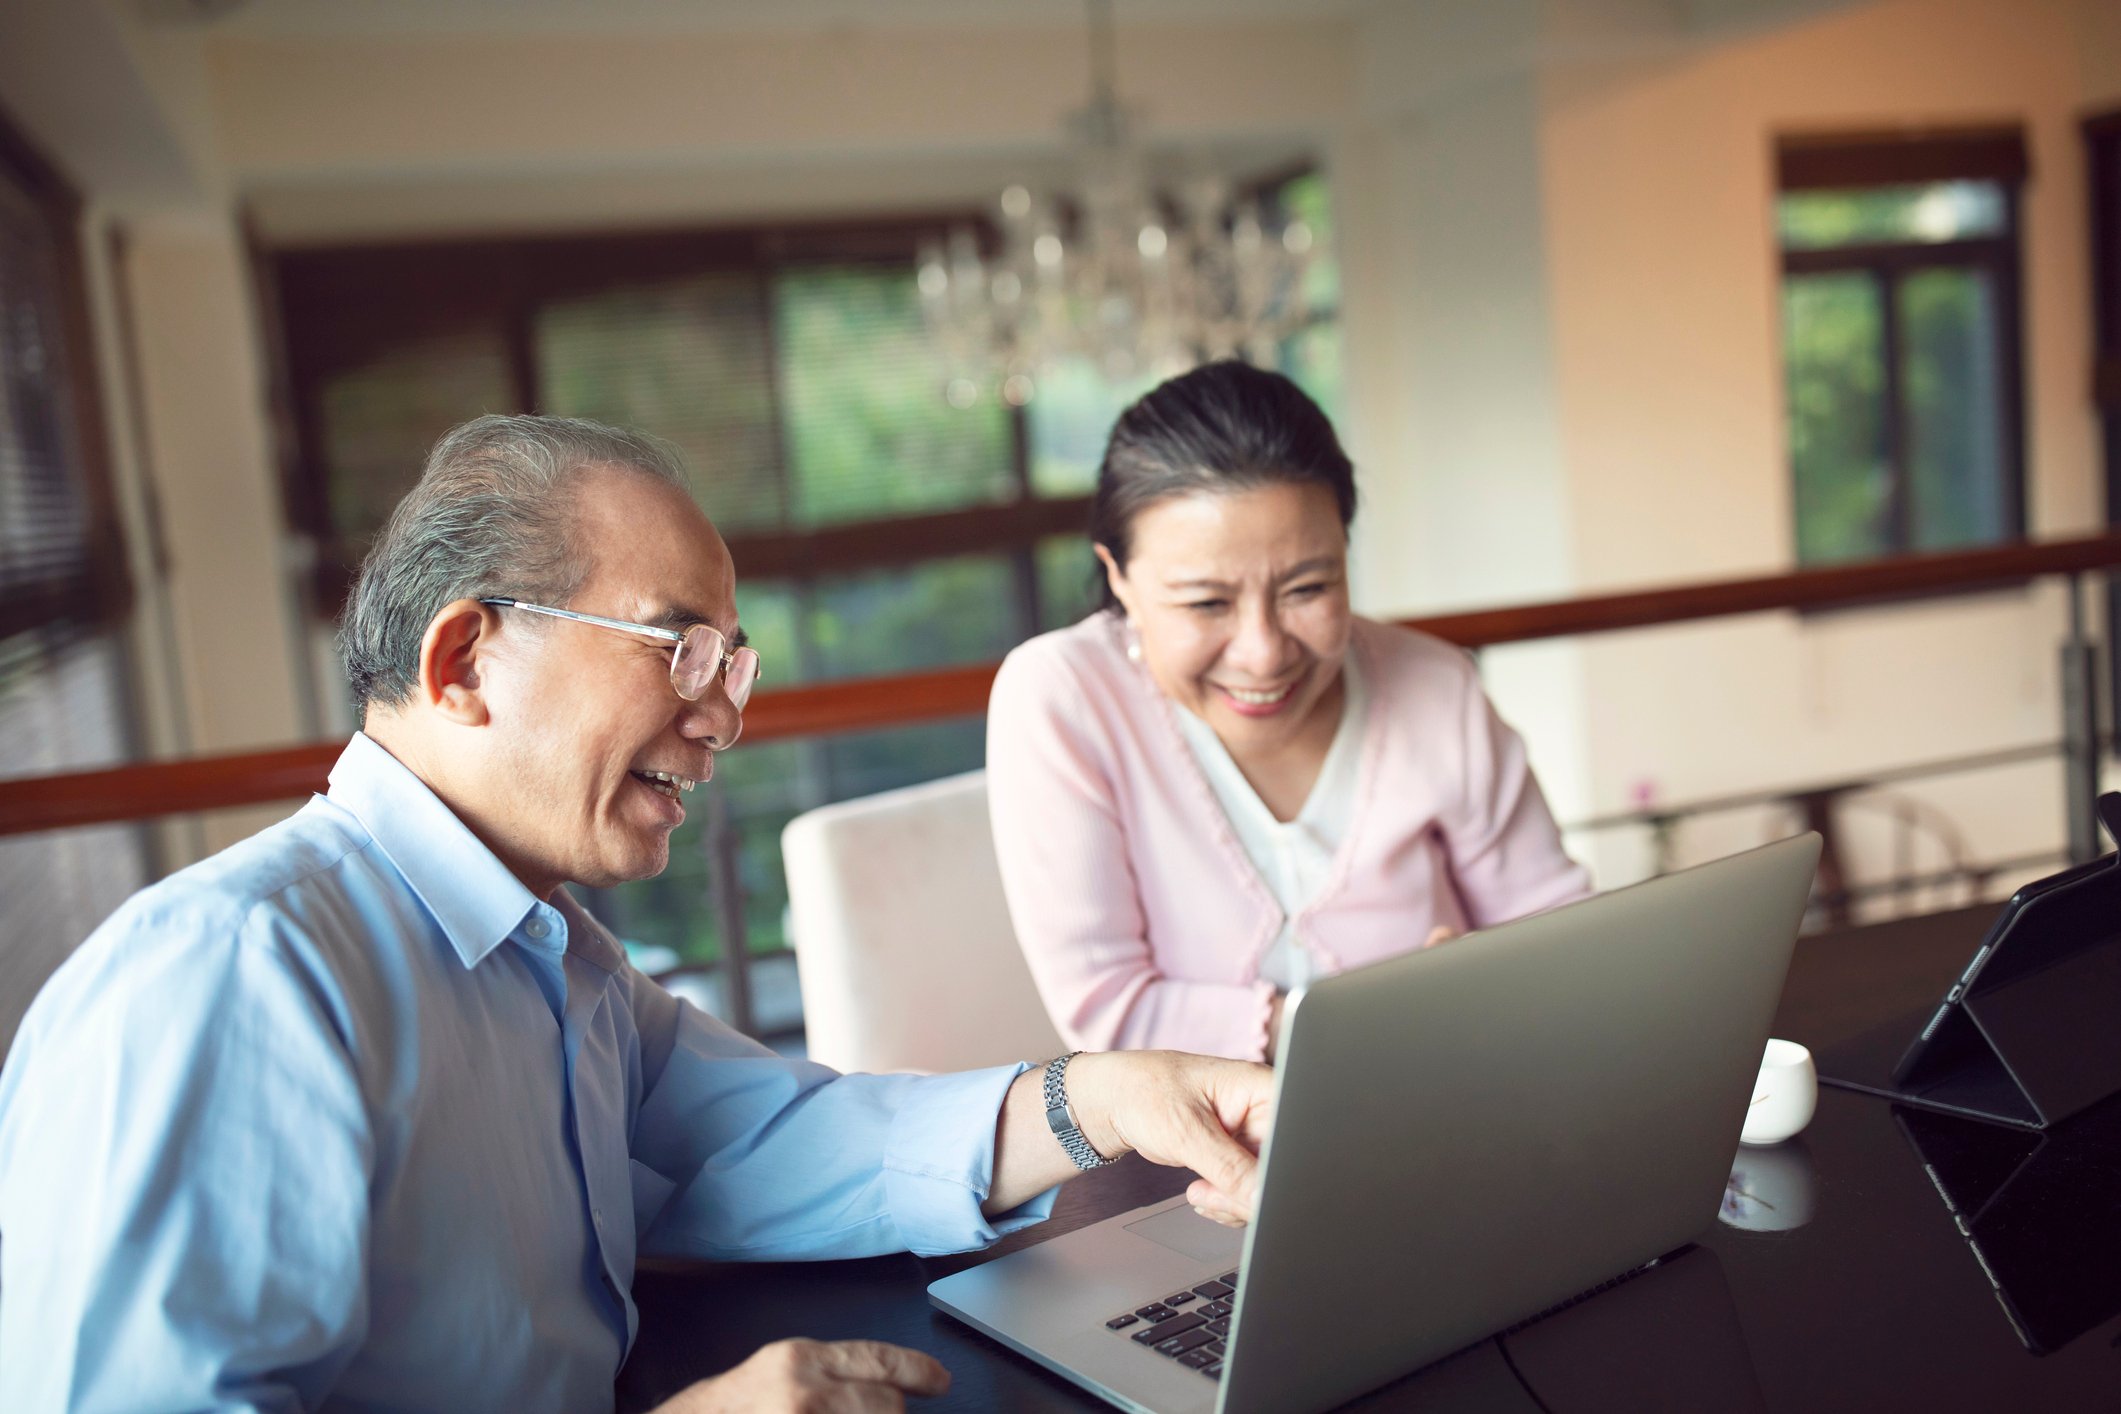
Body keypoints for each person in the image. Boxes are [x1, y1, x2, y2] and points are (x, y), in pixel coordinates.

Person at [0, 416, 1273, 1413]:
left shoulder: (557, 960)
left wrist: (1109, 1095)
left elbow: (778, 1139)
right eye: (677, 648)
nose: (724, 715)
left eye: (731, 661)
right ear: (462, 664)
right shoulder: (226, 981)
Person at [987, 361, 1591, 1063]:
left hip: (1446, 1100)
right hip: (1180, 1147)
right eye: (1206, 603)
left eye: (1307, 587)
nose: (1265, 654)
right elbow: (1110, 1010)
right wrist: (1391, 1020)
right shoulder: (1064, 698)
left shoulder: (1434, 686)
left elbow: (1557, 936)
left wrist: (1488, 984)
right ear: (1119, 577)